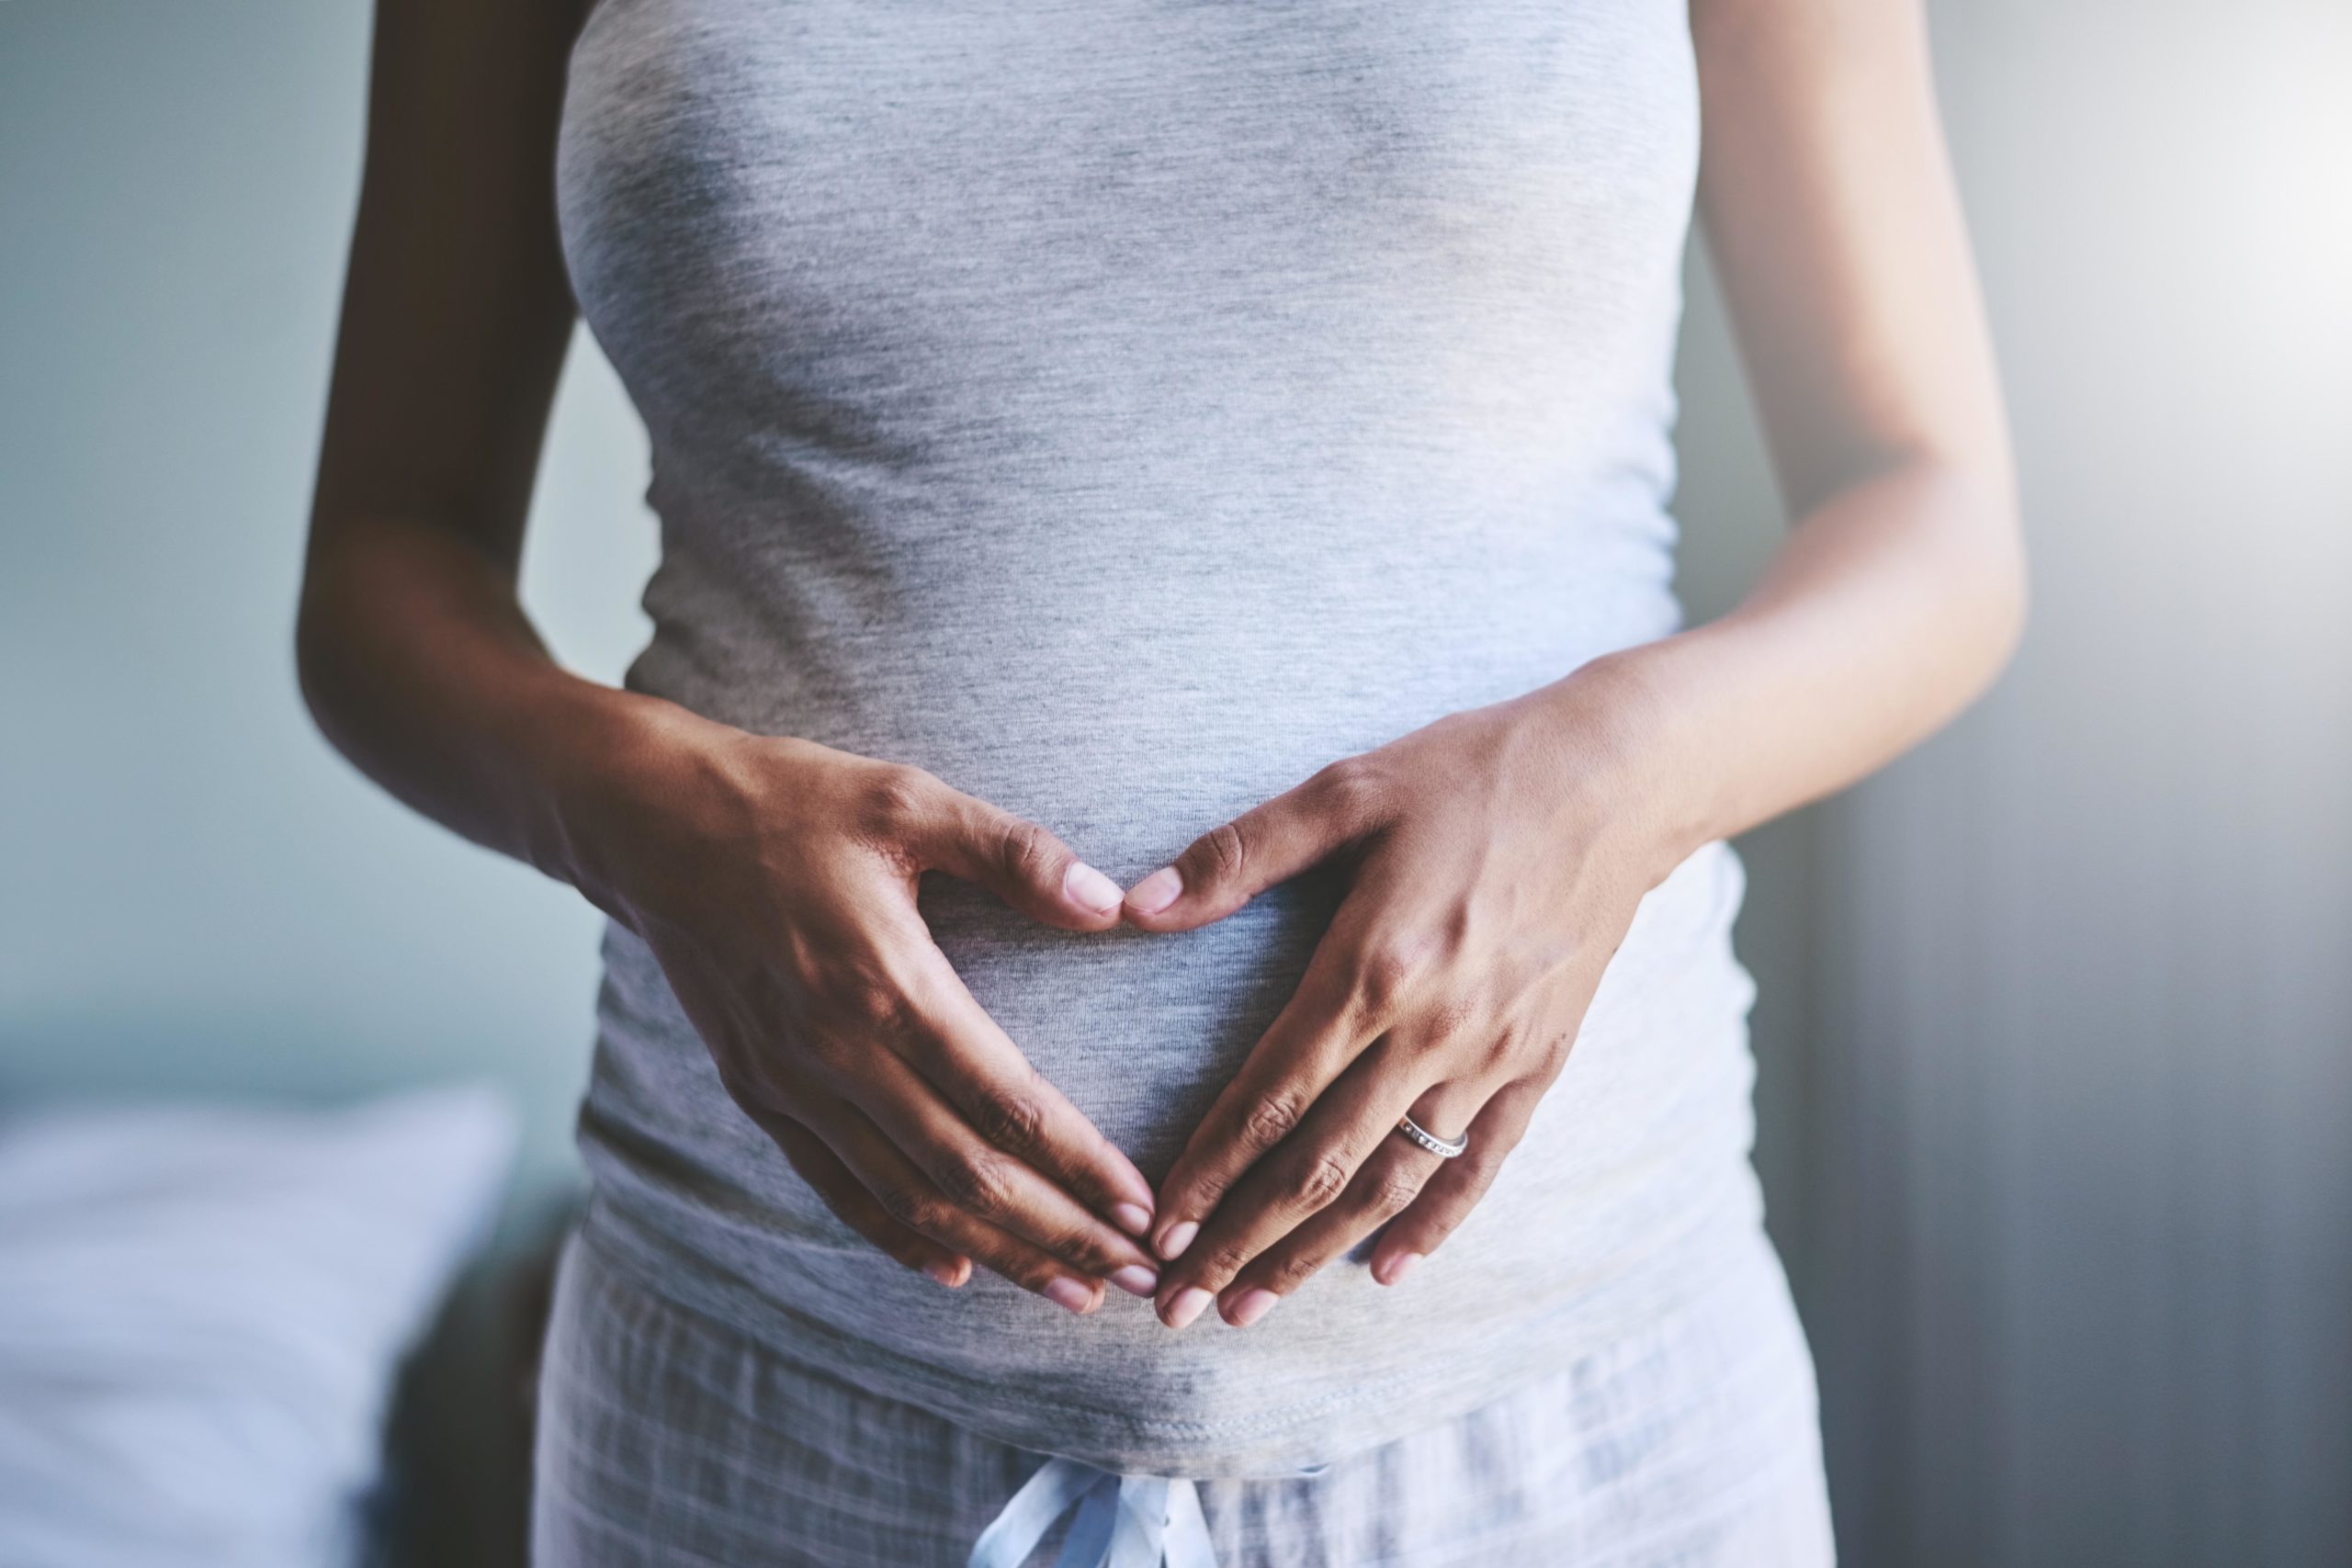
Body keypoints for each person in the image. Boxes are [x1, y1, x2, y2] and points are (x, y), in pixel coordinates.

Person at [300, 0, 2023, 1562]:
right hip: (772, 1400)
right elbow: (384, 560)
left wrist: (1610, 778)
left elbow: (1931, 515)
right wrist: (641, 809)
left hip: (1569, 1411)